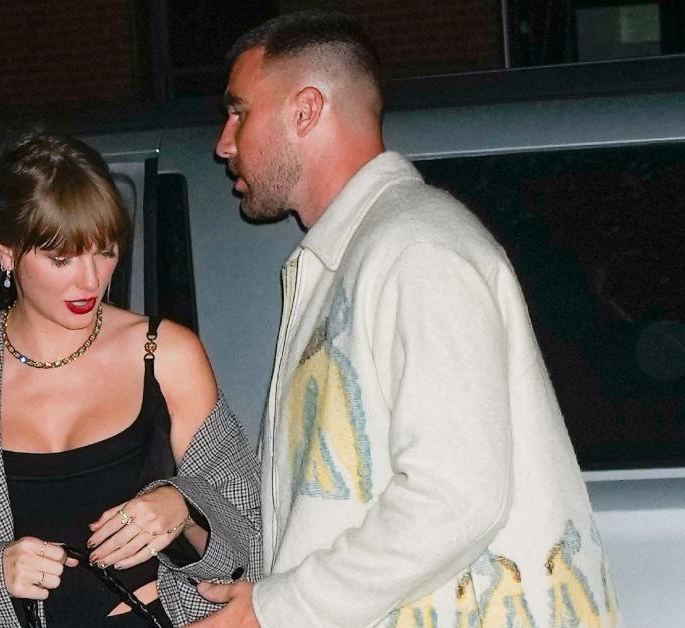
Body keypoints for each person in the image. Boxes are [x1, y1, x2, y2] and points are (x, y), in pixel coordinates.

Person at [192, 11, 618, 628]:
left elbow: (456, 496)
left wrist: (276, 610)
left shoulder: (416, 248)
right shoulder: (352, 257)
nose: (223, 143)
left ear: (306, 111)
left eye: (240, 113)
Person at [0, 131, 261, 628]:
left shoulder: (165, 355)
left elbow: (254, 537)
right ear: (6, 253)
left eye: (105, 251)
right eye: (61, 259)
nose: (91, 280)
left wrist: (183, 510)